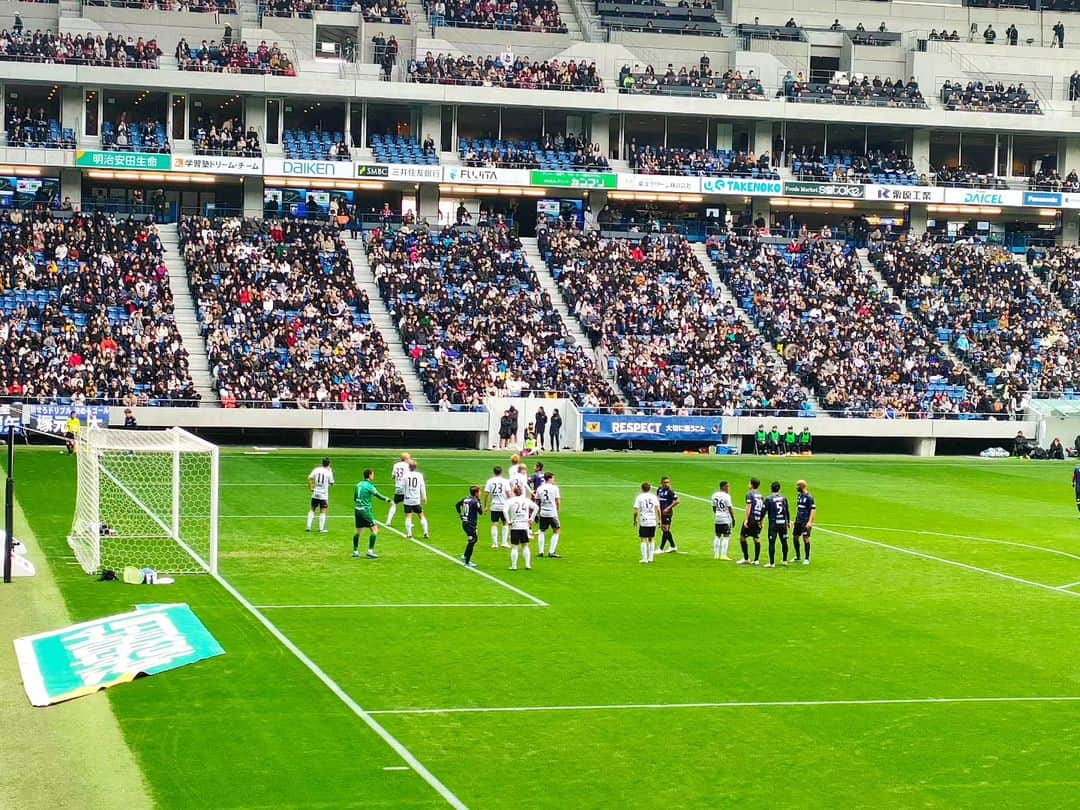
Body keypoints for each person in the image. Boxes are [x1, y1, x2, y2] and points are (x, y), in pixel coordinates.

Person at [353, 468, 390, 558]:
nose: (373, 476)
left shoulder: (358, 484)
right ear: (369, 475)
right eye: (373, 474)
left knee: (358, 531)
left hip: (357, 509)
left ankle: (355, 551)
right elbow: (378, 495)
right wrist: (387, 499)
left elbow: (355, 498)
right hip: (365, 510)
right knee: (375, 530)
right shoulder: (369, 485)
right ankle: (370, 551)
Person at [505, 484, 538, 571]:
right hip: (524, 526)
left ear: (513, 492)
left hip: (515, 525)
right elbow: (536, 507)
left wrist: (508, 521)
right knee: (525, 546)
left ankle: (514, 565)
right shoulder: (526, 500)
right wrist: (531, 518)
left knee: (514, 546)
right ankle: (527, 565)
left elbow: (504, 510)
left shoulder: (510, 501)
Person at [738, 477, 766, 566]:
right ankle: (756, 560)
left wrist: (746, 519)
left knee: (742, 537)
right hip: (758, 519)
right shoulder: (761, 496)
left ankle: (746, 558)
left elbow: (748, 507)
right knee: (756, 538)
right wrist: (762, 520)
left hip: (751, 519)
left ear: (751, 484)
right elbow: (763, 509)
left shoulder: (749, 494)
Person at [633, 481, 662, 564]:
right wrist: (659, 520)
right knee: (651, 538)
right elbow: (658, 509)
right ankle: (651, 558)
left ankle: (645, 559)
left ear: (642, 488)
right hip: (653, 520)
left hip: (644, 520)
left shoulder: (639, 497)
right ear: (650, 488)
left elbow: (636, 511)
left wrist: (635, 520)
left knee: (643, 539)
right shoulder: (654, 497)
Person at [535, 472, 562, 558]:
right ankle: (551, 552)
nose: (554, 480)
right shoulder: (555, 488)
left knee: (542, 530)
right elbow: (557, 501)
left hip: (543, 512)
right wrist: (557, 511)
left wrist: (537, 512)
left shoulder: (540, 488)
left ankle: (541, 551)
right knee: (556, 530)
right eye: (553, 478)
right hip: (552, 512)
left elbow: (537, 502)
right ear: (549, 479)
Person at [456, 485, 483, 568]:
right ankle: (467, 562)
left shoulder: (465, 499)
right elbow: (481, 512)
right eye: (479, 491)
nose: (480, 493)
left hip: (465, 522)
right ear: (476, 493)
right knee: (473, 540)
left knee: (472, 540)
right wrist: (479, 502)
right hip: (470, 524)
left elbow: (457, 505)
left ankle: (465, 556)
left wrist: (461, 514)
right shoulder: (475, 501)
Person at [764, 481, 790, 568]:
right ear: (779, 489)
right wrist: (788, 522)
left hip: (773, 523)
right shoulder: (784, 498)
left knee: (772, 542)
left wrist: (760, 521)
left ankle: (772, 563)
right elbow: (787, 511)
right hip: (783, 523)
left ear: (771, 488)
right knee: (784, 541)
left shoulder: (768, 498)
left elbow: (764, 511)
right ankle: (785, 560)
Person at [306, 457, 334, 533]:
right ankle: (321, 529)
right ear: (329, 464)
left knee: (312, 509)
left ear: (322, 463)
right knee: (323, 511)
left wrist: (310, 487)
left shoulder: (316, 469)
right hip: (323, 494)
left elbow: (309, 478)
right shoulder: (329, 472)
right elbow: (332, 483)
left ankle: (308, 526)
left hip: (315, 492)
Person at [484, 466, 510, 548]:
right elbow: (509, 493)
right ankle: (504, 542)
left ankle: (495, 543)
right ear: (501, 472)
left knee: (494, 524)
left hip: (494, 505)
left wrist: (486, 506)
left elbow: (486, 494)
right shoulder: (505, 481)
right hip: (504, 506)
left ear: (494, 472)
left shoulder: (490, 481)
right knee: (505, 523)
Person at [402, 460, 429, 539]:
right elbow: (422, 486)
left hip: (408, 499)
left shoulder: (405, 475)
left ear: (409, 467)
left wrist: (405, 495)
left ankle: (409, 534)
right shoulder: (419, 475)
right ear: (416, 467)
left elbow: (403, 487)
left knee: (408, 516)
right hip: (416, 499)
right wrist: (424, 497)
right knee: (421, 515)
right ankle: (426, 532)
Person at [793, 479, 815, 565]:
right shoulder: (799, 495)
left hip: (805, 521)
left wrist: (810, 522)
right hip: (798, 520)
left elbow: (813, 510)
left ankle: (807, 558)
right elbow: (799, 508)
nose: (796, 487)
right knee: (795, 537)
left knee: (805, 538)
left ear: (801, 486)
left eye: (797, 485)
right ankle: (798, 556)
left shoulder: (809, 497)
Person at [711, 480, 734, 560]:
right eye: (728, 486)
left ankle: (716, 555)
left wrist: (717, 513)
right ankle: (723, 555)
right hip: (725, 518)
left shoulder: (714, 495)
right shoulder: (727, 496)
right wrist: (733, 519)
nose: (729, 488)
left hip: (717, 517)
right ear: (723, 487)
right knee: (726, 536)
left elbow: (714, 507)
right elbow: (730, 508)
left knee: (717, 535)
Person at [386, 451, 411, 526]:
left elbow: (393, 476)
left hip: (398, 487)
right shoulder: (408, 466)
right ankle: (409, 522)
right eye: (409, 458)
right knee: (408, 505)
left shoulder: (395, 465)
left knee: (394, 504)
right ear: (406, 459)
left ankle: (388, 521)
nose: (410, 459)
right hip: (406, 488)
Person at [656, 476, 680, 553]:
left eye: (668, 482)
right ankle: (673, 546)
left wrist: (668, 508)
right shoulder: (659, 490)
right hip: (661, 512)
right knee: (665, 530)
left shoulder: (670, 491)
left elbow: (677, 501)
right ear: (662, 483)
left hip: (667, 513)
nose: (667, 484)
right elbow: (657, 498)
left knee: (666, 529)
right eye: (665, 482)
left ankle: (661, 548)